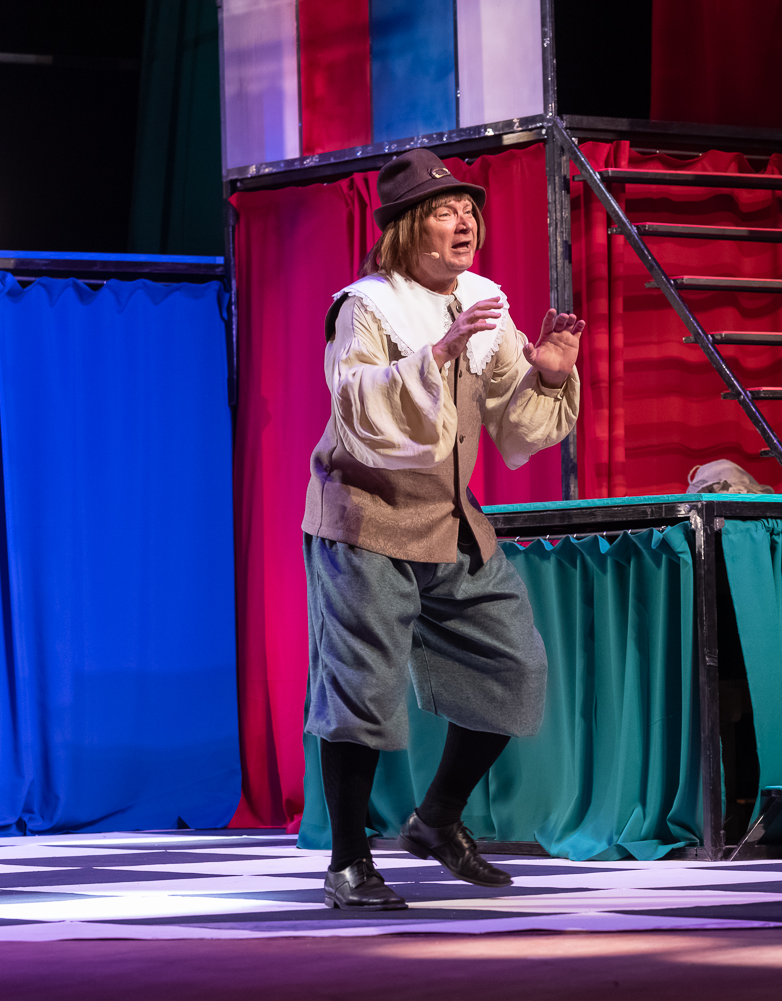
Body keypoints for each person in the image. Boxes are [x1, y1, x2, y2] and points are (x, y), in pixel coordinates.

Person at [301, 148, 583, 910]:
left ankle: (438, 817)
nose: (464, 223)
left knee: (515, 666)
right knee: (362, 691)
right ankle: (348, 863)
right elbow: (354, 402)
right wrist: (434, 357)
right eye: (443, 211)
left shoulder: (483, 301)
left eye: (468, 210)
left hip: (449, 518)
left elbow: (513, 419)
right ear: (404, 228)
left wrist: (549, 372)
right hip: (364, 517)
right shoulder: (366, 306)